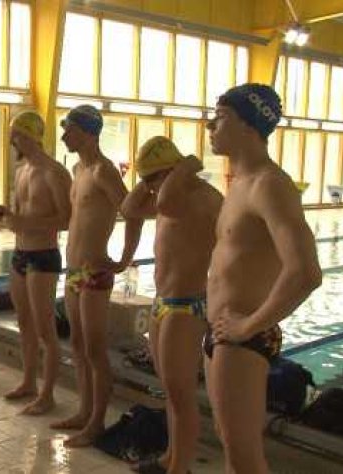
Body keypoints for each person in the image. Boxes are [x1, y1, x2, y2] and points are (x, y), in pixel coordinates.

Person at [205, 84, 321, 473]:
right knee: (231, 447)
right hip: (223, 333)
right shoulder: (240, 182)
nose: (210, 125)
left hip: (243, 336)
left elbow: (305, 272)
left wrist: (248, 325)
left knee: (244, 458)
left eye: (220, 117)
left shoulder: (270, 185)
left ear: (249, 125)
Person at [121, 136, 223, 473]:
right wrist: (151, 178)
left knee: (181, 394)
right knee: (170, 391)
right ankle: (170, 458)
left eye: (154, 177)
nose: (150, 186)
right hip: (163, 303)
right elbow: (128, 209)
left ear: (175, 170)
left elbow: (165, 202)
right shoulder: (167, 195)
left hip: (188, 306)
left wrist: (185, 168)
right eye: (146, 179)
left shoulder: (203, 198)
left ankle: (180, 467)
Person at [51, 105, 143, 447]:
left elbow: (133, 213)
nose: (64, 135)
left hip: (95, 271)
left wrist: (124, 259)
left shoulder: (104, 171)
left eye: (70, 129)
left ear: (89, 132)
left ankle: (96, 423)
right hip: (74, 271)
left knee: (94, 349)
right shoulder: (78, 169)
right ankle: (84, 411)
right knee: (77, 344)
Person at [0, 111, 71, 415]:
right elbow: (21, 214)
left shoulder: (54, 172)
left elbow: (66, 219)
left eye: (16, 135)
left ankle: (48, 394)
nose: (12, 140)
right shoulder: (21, 170)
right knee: (24, 321)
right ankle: (28, 382)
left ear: (30, 136)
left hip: (43, 255)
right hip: (20, 254)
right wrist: (6, 215)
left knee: (44, 328)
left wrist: (25, 223)